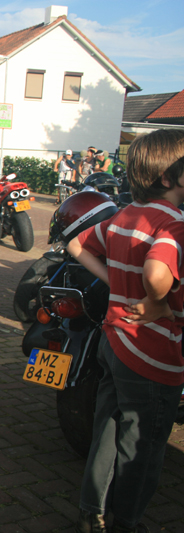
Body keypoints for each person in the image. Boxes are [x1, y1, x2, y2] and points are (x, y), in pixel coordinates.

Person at [67, 129, 184, 533]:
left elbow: (78, 245)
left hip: (113, 340)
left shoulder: (125, 214)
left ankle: (91, 511)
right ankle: (127, 522)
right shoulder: (174, 223)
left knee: (107, 431)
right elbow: (157, 272)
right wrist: (160, 302)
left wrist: (115, 283)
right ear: (169, 178)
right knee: (144, 447)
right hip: (150, 351)